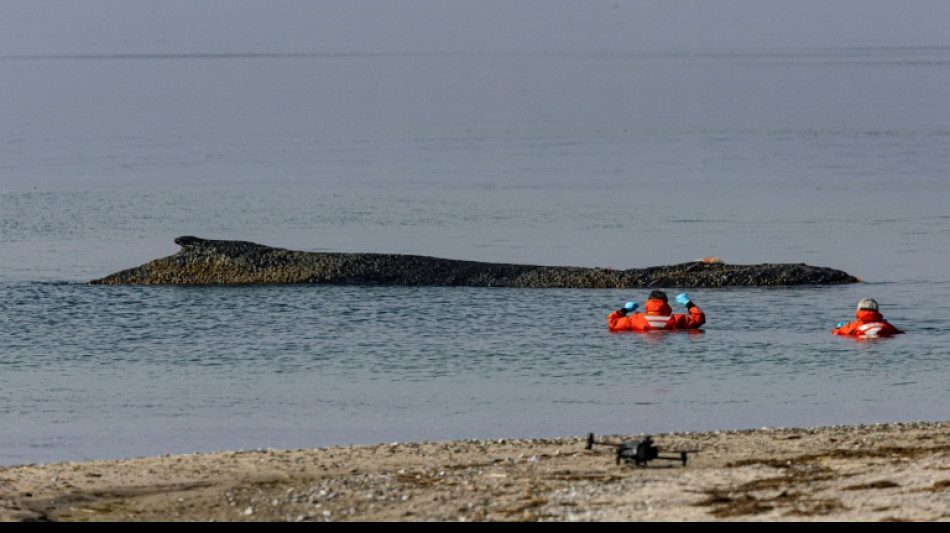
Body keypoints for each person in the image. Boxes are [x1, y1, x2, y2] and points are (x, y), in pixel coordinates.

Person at [607, 290, 705, 332]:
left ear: (648, 303)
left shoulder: (635, 319)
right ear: (666, 304)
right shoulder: (677, 319)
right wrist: (688, 303)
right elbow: (698, 319)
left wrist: (625, 309)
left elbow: (612, 322)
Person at [832, 298, 904, 338]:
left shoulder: (849, 326)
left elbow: (835, 333)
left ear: (858, 310)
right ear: (877, 310)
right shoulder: (887, 326)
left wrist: (838, 328)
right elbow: (900, 333)